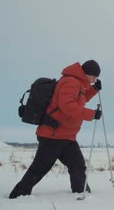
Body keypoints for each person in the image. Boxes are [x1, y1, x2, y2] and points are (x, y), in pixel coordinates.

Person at [9, 60, 103, 199]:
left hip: (65, 135)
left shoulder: (78, 84)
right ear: (87, 74)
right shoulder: (71, 82)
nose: (95, 79)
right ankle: (18, 195)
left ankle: (81, 193)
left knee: (77, 165)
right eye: (94, 77)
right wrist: (92, 114)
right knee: (40, 168)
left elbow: (79, 100)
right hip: (53, 135)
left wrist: (94, 90)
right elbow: (67, 106)